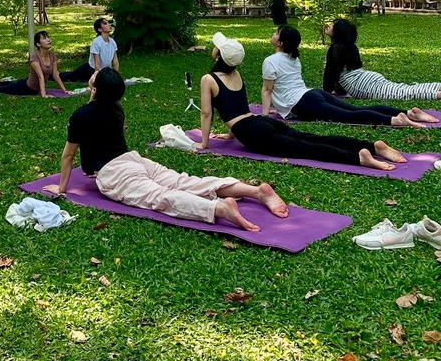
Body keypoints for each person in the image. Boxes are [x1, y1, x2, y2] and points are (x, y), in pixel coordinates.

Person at [43, 68, 289, 232]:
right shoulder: (116, 109)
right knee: (187, 181)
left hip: (113, 173)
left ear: (94, 89)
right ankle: (255, 191)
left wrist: (62, 188)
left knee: (160, 197)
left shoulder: (81, 115)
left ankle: (219, 208)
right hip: (135, 161)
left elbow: (68, 155)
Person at [199, 32, 407, 171]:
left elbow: (207, 113)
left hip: (250, 131)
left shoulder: (209, 79)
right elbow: (238, 107)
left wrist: (204, 143)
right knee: (312, 138)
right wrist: (228, 135)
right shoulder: (236, 74)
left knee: (304, 148)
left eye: (217, 48)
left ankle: (358, 158)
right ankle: (372, 146)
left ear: (218, 57)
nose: (214, 49)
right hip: (259, 122)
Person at [263, 26, 436, 127]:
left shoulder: (270, 61)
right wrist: (280, 108)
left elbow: (267, 90)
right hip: (312, 94)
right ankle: (408, 113)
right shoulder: (293, 58)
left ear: (280, 43)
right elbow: (286, 87)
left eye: (276, 33)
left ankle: (395, 120)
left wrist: (264, 117)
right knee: (353, 110)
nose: (273, 34)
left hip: (304, 101)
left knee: (348, 116)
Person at [323, 19, 441, 100]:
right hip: (366, 77)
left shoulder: (336, 48)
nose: (329, 26)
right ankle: (437, 86)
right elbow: (343, 72)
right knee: (403, 88)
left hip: (360, 85)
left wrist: (326, 94)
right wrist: (339, 91)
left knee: (403, 93)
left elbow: (331, 73)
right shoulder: (350, 46)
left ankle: (437, 93)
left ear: (338, 32)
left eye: (333, 25)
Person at [0, 31, 69, 97]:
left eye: (48, 38)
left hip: (32, 86)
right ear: (38, 44)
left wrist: (64, 90)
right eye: (44, 38)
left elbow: (55, 74)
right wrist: (44, 95)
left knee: (10, 85)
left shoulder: (52, 55)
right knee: (1, 90)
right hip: (25, 87)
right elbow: (40, 76)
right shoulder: (35, 57)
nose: (48, 40)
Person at [59, 18, 119, 82]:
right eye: (105, 23)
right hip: (90, 69)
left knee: (73, 76)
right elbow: (97, 64)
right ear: (100, 29)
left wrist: (116, 77)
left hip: (104, 71)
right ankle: (53, 75)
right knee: (70, 77)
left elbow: (115, 61)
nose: (109, 25)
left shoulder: (112, 42)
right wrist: (98, 78)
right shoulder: (97, 42)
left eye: (108, 23)